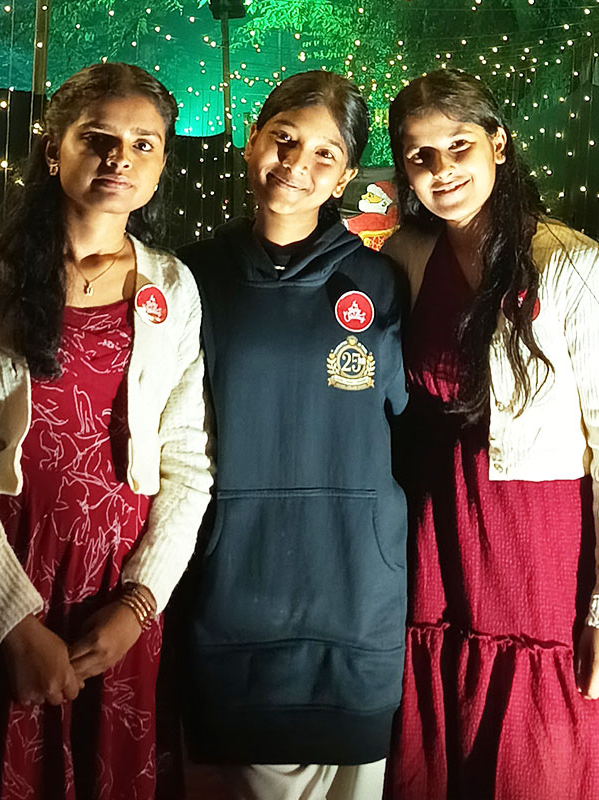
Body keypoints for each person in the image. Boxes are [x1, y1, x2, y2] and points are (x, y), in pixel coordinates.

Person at [0, 62, 212, 799]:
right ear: (54, 149)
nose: (120, 158)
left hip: (114, 596)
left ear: (161, 163)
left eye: (144, 144)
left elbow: (188, 461)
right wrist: (15, 623)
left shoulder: (173, 288)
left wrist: (139, 604)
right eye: (98, 138)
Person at [381, 69, 599, 799]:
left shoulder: (572, 262)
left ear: (498, 145)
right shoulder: (406, 257)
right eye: (420, 156)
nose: (443, 169)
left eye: (459, 146)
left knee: (544, 753)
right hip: (439, 527)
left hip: (538, 540)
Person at [174, 70, 407, 800]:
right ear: (251, 140)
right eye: (284, 138)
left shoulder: (383, 283)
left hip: (355, 601)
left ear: (347, 174)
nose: (298, 163)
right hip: (231, 598)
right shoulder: (189, 278)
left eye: (325, 153)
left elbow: (414, 432)